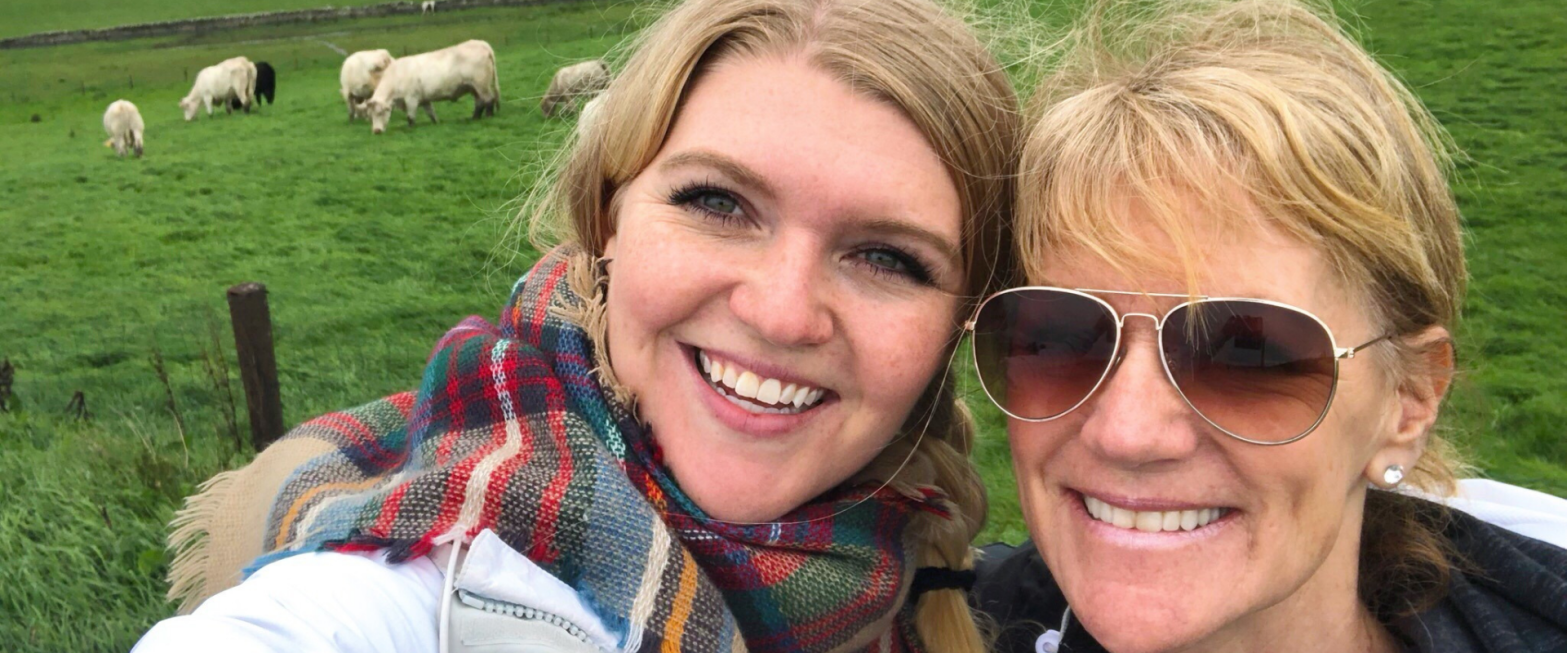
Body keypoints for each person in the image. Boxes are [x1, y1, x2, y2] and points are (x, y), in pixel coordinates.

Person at [134, 0, 1019, 651]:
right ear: (606, 221)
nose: (782, 312)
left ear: (960, 325)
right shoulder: (420, 588)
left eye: (890, 258)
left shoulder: (963, 588)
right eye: (716, 203)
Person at [965, 1, 1567, 652]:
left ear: (1409, 400)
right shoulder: (932, 622)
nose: (1127, 433)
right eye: (1058, 340)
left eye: (1246, 356)